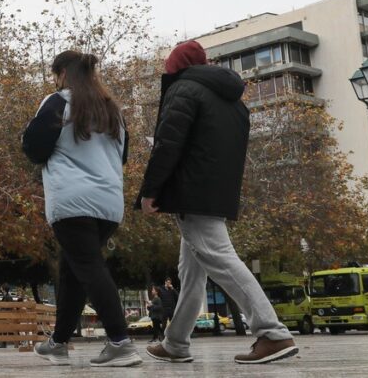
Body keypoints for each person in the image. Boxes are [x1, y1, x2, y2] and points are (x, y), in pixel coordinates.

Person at [138, 40, 298, 365]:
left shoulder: (183, 90)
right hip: (216, 191)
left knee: (221, 259)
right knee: (192, 271)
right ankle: (176, 342)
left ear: (175, 68)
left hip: (191, 191)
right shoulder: (234, 102)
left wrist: (150, 190)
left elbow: (168, 144)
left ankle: (272, 332)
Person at [22, 50, 143, 368]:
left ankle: (120, 342)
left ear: (62, 73)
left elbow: (35, 149)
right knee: (72, 269)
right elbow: (123, 155)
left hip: (72, 201)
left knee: (88, 267)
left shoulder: (59, 102)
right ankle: (58, 342)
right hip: (109, 204)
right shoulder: (113, 109)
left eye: (55, 75)